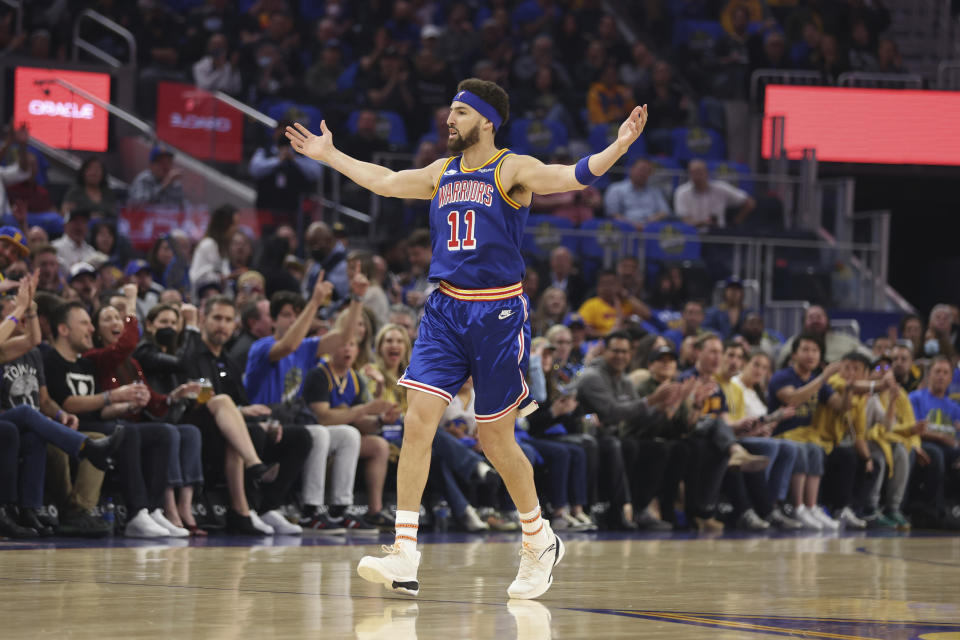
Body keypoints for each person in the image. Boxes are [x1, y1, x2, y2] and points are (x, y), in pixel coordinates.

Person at [287, 77, 649, 599]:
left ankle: (539, 539)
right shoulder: (441, 171)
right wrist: (331, 155)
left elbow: (572, 176)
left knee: (495, 440)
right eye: (449, 111)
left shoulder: (511, 169)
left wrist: (618, 145)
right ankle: (404, 553)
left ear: (486, 120)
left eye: (458, 111)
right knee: (417, 421)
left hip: (498, 314)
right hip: (444, 310)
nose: (448, 119)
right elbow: (386, 181)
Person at [674, 159, 755, 231]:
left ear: (707, 173)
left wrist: (735, 223)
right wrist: (703, 223)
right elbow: (683, 220)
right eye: (694, 173)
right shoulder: (681, 192)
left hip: (718, 234)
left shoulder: (721, 188)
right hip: (692, 234)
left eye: (699, 172)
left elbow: (749, 203)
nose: (697, 176)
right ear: (689, 174)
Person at [603, 158, 671, 229]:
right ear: (631, 169)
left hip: (649, 229)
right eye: (641, 170)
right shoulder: (615, 189)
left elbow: (665, 212)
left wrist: (651, 221)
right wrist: (632, 225)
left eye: (647, 171)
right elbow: (613, 214)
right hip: (624, 230)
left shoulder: (655, 191)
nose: (643, 174)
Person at [189, 204, 237, 301]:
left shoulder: (222, 248)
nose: (236, 228)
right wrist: (225, 277)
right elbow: (196, 277)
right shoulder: (208, 245)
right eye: (234, 224)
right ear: (225, 225)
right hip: (204, 302)